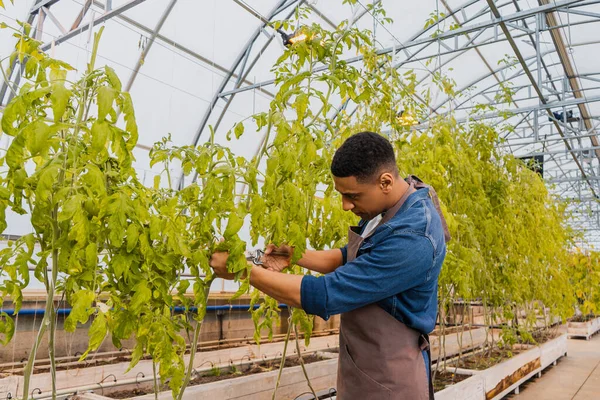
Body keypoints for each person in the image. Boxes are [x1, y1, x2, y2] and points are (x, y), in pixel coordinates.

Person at [209, 131, 449, 399]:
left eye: (353, 196)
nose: (346, 205)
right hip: (365, 366)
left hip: (391, 378)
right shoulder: (394, 207)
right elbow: (353, 256)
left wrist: (244, 271)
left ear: (385, 182)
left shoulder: (414, 236)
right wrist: (296, 255)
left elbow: (326, 294)